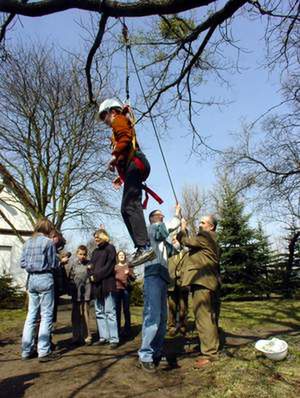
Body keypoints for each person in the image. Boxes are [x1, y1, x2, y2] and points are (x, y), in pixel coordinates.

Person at [98, 99, 155, 266]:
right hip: (133, 166)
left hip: (136, 164)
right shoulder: (119, 122)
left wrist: (114, 157)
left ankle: (144, 246)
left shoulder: (119, 120)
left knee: (130, 205)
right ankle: (141, 246)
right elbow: (125, 147)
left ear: (112, 112)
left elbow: (125, 137)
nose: (105, 121)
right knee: (125, 208)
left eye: (104, 117)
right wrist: (119, 170)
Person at [138, 204, 181, 372]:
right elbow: (165, 229)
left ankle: (156, 351)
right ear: (153, 219)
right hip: (153, 276)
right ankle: (145, 355)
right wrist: (176, 216)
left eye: (163, 216)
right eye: (159, 215)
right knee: (153, 316)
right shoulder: (152, 230)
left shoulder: (160, 237)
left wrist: (181, 234)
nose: (162, 217)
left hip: (162, 276)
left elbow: (173, 250)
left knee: (162, 317)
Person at [178, 214, 221, 368]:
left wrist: (183, 228)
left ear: (211, 226)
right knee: (210, 317)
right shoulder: (212, 239)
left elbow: (185, 241)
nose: (200, 225)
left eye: (203, 222)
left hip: (202, 282)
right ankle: (213, 349)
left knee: (203, 319)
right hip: (211, 283)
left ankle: (209, 354)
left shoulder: (205, 236)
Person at [20, 218, 60, 362]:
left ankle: (26, 350)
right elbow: (53, 263)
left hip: (31, 279)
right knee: (46, 315)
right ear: (48, 229)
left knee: (31, 316)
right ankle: (43, 351)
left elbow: (22, 263)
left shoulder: (27, 242)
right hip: (45, 279)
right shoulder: (48, 243)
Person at [89, 228, 119, 348]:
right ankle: (103, 337)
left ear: (104, 236)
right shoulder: (95, 251)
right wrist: (91, 274)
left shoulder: (110, 248)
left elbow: (109, 266)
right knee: (99, 312)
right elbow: (90, 266)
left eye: (97, 236)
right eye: (95, 237)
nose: (96, 239)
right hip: (97, 286)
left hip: (108, 284)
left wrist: (96, 276)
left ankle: (113, 339)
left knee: (110, 312)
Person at [68, 245, 92, 346]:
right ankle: (76, 336)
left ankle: (87, 337)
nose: (82, 256)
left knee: (85, 314)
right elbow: (70, 278)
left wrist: (91, 270)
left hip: (86, 292)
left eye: (84, 254)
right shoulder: (73, 264)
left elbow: (92, 277)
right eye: (80, 254)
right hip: (76, 293)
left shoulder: (89, 264)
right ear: (77, 254)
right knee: (75, 315)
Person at [167, 237, 189, 337]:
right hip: (171, 284)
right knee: (171, 307)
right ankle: (171, 327)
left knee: (183, 307)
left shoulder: (186, 253)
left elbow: (188, 267)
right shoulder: (169, 254)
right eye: (172, 240)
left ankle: (182, 326)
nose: (173, 241)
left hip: (183, 283)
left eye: (175, 240)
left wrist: (180, 273)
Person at [115, 250, 136, 339]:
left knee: (126, 310)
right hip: (117, 290)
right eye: (120, 255)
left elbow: (133, 278)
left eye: (123, 255)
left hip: (126, 290)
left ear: (125, 256)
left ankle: (127, 330)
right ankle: (118, 330)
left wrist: (129, 273)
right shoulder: (115, 267)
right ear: (117, 257)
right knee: (117, 311)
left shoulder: (128, 266)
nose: (121, 256)